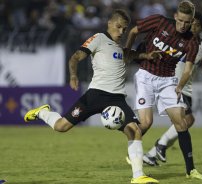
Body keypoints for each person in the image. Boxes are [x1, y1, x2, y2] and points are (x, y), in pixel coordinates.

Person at [24, 9, 160, 184]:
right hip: (95, 94)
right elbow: (75, 57)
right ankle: (43, 112)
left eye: (124, 29)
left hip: (117, 98)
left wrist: (145, 55)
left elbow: (128, 55)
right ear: (110, 24)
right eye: (119, 27)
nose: (121, 32)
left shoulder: (119, 46)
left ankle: (138, 176)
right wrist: (73, 75)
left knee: (134, 131)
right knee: (61, 126)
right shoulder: (99, 38)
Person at [125, 0, 202, 180]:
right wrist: (128, 51)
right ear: (176, 16)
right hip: (146, 75)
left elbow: (187, 70)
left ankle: (191, 170)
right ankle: (134, 154)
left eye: (188, 22)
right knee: (146, 123)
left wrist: (179, 86)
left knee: (182, 122)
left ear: (191, 20)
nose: (184, 25)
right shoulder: (159, 21)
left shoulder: (192, 43)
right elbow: (133, 31)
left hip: (168, 81)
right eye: (181, 21)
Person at [143, 11, 202, 166]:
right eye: (191, 24)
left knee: (184, 122)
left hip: (187, 88)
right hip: (173, 84)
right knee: (187, 120)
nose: (192, 28)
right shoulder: (178, 39)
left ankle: (151, 155)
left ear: (201, 27)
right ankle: (160, 145)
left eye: (196, 26)